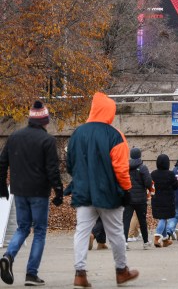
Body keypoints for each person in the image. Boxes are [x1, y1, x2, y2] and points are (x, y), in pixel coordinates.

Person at [66, 92, 139, 288]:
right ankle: (121, 271)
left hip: (83, 191)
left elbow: (70, 164)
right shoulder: (115, 135)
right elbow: (121, 168)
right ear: (109, 112)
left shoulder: (78, 133)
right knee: (115, 232)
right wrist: (127, 189)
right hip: (109, 193)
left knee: (81, 232)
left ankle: (80, 273)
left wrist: (81, 179)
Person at [0, 100, 63, 286]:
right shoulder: (48, 141)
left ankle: (8, 256)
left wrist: (2, 186)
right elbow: (52, 169)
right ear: (44, 120)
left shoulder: (14, 137)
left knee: (22, 228)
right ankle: (31, 274)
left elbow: (2, 163)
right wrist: (58, 191)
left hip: (19, 191)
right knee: (40, 231)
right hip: (39, 193)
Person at [123, 147, 153, 249]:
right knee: (142, 220)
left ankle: (124, 242)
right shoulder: (143, 168)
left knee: (126, 220)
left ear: (130, 155)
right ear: (140, 155)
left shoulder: (126, 167)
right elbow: (148, 182)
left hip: (128, 197)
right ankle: (145, 242)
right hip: (141, 199)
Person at [151, 154, 178, 248]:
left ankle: (165, 240)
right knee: (163, 218)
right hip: (167, 200)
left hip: (156, 199)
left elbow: (151, 186)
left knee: (162, 217)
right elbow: (176, 186)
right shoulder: (170, 174)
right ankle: (157, 236)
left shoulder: (153, 174)